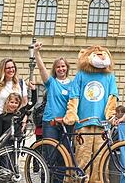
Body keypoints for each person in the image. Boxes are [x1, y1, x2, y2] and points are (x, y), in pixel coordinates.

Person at [33, 42, 73, 179]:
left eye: (63, 66)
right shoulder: (51, 82)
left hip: (66, 123)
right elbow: (42, 69)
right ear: (55, 69)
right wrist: (37, 53)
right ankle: (46, 179)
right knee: (50, 155)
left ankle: (59, 180)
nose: (61, 69)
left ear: (67, 68)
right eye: (58, 67)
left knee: (64, 156)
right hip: (50, 122)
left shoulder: (73, 84)